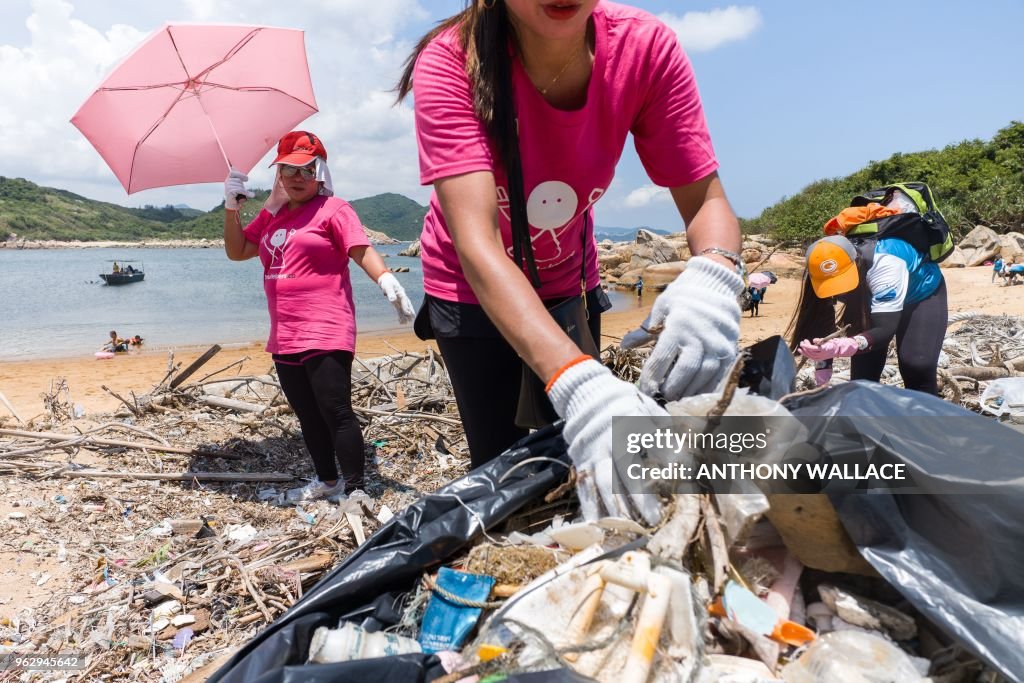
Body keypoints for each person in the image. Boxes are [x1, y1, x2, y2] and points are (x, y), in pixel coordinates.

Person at [397, 0, 744, 520]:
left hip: (569, 281)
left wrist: (715, 274)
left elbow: (706, 202)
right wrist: (577, 382)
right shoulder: (450, 60)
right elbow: (477, 244)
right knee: (500, 466)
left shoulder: (643, 47)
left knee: (588, 456)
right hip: (471, 289)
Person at [223, 131, 416, 503]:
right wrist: (231, 208)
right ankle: (328, 482)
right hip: (285, 333)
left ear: (320, 173)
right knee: (308, 417)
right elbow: (238, 250)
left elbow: (360, 249)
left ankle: (357, 489)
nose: (296, 178)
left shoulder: (335, 210)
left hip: (327, 326)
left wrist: (387, 278)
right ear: (278, 174)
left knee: (335, 410)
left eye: (306, 170)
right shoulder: (272, 217)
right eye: (288, 170)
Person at [789, 235, 947, 394]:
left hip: (921, 294)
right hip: (874, 298)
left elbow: (885, 330)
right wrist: (822, 382)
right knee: (862, 378)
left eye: (842, 282)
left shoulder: (885, 264)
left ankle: (927, 415)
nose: (839, 291)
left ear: (856, 262)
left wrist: (842, 346)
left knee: (916, 365)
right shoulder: (821, 273)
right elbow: (822, 326)